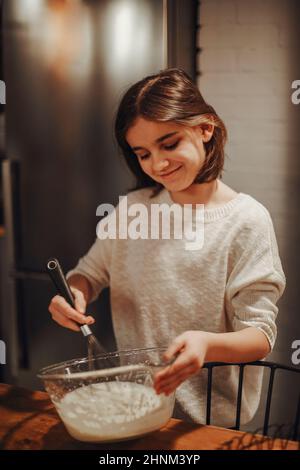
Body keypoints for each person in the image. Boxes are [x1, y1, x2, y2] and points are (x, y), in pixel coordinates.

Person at [48, 68, 286, 427]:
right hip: (134, 408)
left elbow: (259, 336)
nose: (157, 164)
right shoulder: (132, 209)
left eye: (169, 143)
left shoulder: (246, 221)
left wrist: (206, 345)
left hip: (208, 424)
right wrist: (73, 294)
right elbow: (89, 274)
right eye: (142, 153)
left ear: (206, 129)